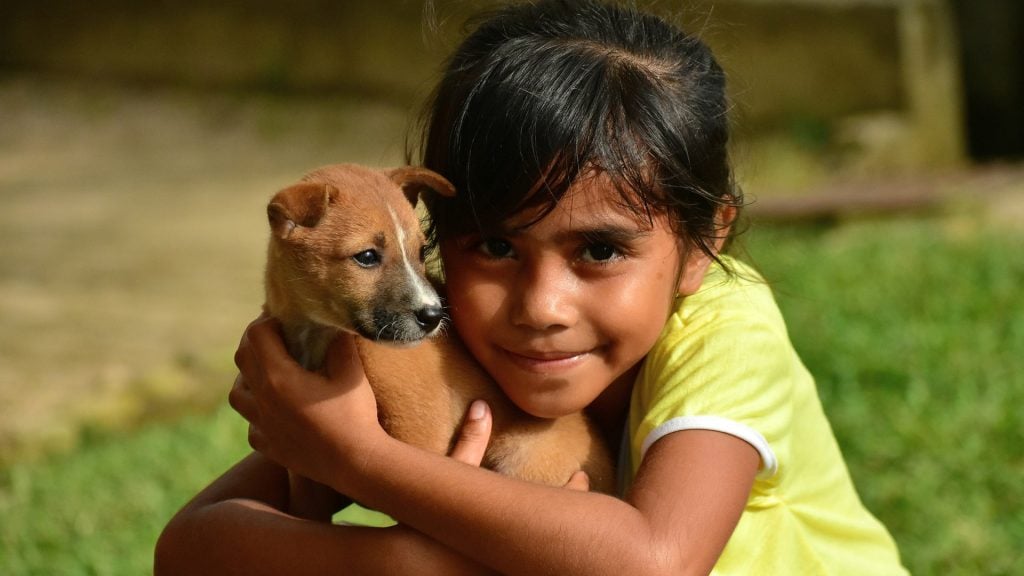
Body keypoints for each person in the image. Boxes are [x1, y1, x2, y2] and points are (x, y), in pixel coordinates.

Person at [156, 1, 908, 574]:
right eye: (492, 246)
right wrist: (400, 559)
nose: (541, 308)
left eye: (602, 249)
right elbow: (191, 549)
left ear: (702, 243)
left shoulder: (726, 330)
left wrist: (364, 464)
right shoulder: (435, 341)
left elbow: (654, 561)